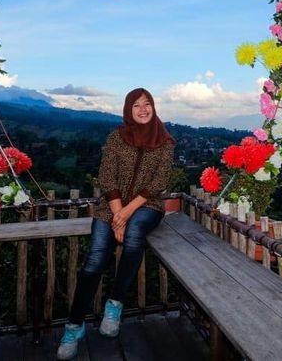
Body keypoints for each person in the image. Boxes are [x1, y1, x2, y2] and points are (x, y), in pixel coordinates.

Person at [57, 88, 176, 360]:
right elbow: (107, 178)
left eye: (148, 104)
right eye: (137, 105)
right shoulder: (116, 138)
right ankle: (74, 326)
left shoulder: (165, 141)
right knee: (95, 261)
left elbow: (159, 183)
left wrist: (125, 215)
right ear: (128, 109)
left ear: (154, 107)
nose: (143, 109)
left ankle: (115, 303)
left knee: (134, 234)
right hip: (110, 205)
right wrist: (117, 213)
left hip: (147, 206)